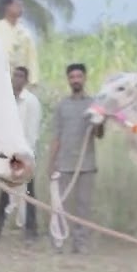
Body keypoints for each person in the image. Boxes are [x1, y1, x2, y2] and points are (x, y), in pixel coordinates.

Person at [46, 63, 104, 253]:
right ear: (68, 80)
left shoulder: (94, 104)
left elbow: (99, 134)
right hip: (64, 163)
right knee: (60, 205)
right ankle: (59, 240)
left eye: (79, 76)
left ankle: (80, 243)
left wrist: (99, 120)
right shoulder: (62, 105)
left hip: (86, 165)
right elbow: (56, 136)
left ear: (85, 78)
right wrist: (51, 163)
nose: (76, 80)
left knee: (83, 206)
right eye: (72, 77)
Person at [0, 65, 42, 241]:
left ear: (26, 80)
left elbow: (32, 132)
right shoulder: (5, 100)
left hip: (25, 155)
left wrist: (25, 157)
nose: (17, 79)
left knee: (28, 194)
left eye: (21, 76)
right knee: (5, 192)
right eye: (15, 75)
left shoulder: (31, 102)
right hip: (7, 155)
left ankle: (31, 232)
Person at [0, 0, 39, 87]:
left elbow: (31, 58)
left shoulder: (25, 33)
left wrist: (33, 80)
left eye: (22, 6)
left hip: (19, 80)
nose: (21, 9)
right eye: (17, 5)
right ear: (7, 7)